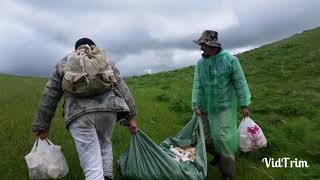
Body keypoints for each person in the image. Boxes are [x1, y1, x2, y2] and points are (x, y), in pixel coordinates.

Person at [32, 38, 137, 180]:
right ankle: (107, 177)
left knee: (92, 164)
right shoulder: (104, 60)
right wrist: (131, 116)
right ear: (93, 47)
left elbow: (50, 94)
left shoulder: (66, 62)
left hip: (79, 115)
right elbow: (122, 86)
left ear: (76, 49)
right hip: (109, 111)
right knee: (105, 145)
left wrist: (42, 125)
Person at [192, 30, 251, 180]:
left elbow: (240, 83)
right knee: (203, 138)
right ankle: (218, 155)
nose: (201, 48)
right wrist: (196, 104)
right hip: (204, 108)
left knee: (224, 139)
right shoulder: (201, 64)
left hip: (223, 107)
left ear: (212, 45)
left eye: (203, 45)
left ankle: (227, 174)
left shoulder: (230, 61)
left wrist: (244, 104)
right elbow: (197, 85)